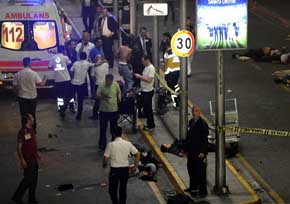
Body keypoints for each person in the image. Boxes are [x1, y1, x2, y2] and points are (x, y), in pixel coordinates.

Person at [103, 126, 141, 204]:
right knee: (122, 190)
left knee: (112, 191)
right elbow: (138, 154)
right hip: (125, 170)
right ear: (121, 133)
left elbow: (105, 158)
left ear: (113, 134)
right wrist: (135, 166)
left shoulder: (110, 145)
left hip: (114, 170)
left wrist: (104, 164)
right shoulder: (128, 143)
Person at [13, 57, 47, 131]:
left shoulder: (18, 74)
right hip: (32, 97)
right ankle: (33, 130)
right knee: (32, 114)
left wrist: (17, 94)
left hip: (22, 97)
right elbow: (41, 84)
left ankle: (24, 130)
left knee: (24, 115)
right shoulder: (34, 73)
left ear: (23, 64)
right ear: (30, 64)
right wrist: (45, 78)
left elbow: (14, 86)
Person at [12, 114, 39, 204]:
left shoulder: (31, 130)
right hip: (28, 159)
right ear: (28, 120)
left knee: (34, 179)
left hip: (33, 158)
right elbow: (19, 148)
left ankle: (32, 198)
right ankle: (17, 197)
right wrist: (22, 160)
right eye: (32, 118)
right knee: (28, 179)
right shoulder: (22, 132)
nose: (33, 119)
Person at [60, 52, 94, 120]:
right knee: (80, 100)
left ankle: (62, 110)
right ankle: (79, 116)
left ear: (79, 57)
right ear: (85, 57)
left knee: (68, 98)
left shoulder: (75, 63)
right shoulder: (87, 63)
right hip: (81, 85)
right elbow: (95, 64)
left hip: (73, 83)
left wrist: (72, 77)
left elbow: (71, 70)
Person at [185, 105, 209, 197]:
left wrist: (203, 152)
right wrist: (185, 149)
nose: (195, 113)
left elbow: (205, 140)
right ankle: (193, 187)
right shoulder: (191, 122)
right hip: (191, 152)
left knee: (200, 173)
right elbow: (188, 137)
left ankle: (203, 191)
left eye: (197, 111)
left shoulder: (203, 124)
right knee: (191, 170)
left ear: (199, 112)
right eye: (194, 111)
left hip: (199, 153)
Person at [97, 74, 121, 151]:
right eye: (107, 81)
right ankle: (102, 144)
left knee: (113, 128)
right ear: (106, 79)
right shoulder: (101, 85)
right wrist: (103, 97)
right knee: (103, 128)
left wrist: (119, 98)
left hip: (114, 110)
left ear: (112, 80)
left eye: (110, 82)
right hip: (104, 111)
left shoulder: (115, 84)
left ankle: (114, 144)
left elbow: (119, 92)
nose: (109, 83)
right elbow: (97, 95)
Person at [48, 45, 72, 112]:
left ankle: (60, 108)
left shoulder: (53, 58)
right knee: (68, 94)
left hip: (58, 79)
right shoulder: (65, 57)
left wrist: (55, 67)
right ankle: (71, 106)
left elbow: (49, 67)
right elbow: (69, 63)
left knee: (60, 95)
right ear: (64, 50)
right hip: (66, 79)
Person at [134, 55, 155, 130]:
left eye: (143, 61)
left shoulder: (151, 68)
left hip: (148, 92)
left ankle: (151, 124)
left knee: (148, 109)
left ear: (147, 60)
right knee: (144, 107)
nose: (142, 63)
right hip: (143, 90)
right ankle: (146, 119)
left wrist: (139, 77)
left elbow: (149, 80)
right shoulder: (146, 67)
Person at [89, 55, 109, 120]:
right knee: (105, 99)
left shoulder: (94, 67)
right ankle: (105, 114)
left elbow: (92, 77)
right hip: (106, 84)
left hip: (98, 84)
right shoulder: (106, 64)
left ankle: (95, 116)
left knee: (97, 101)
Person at [163, 42, 180, 108]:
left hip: (170, 73)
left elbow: (165, 63)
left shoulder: (167, 53)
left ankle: (176, 102)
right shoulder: (176, 51)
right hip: (177, 71)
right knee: (175, 85)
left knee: (171, 87)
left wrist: (165, 74)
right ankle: (178, 97)